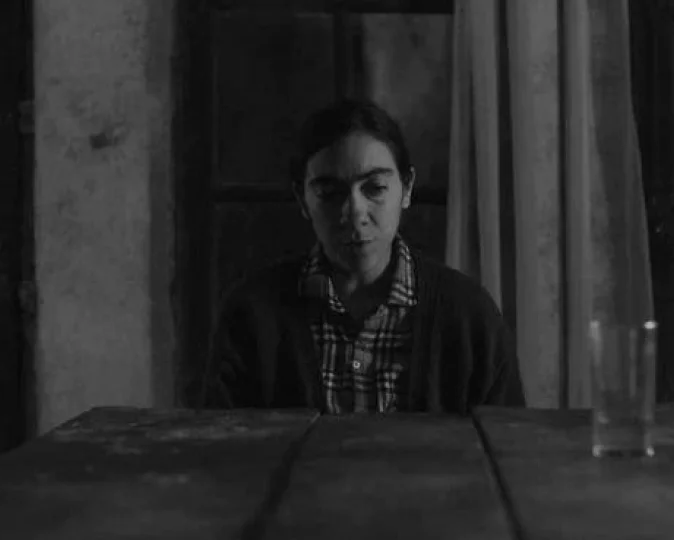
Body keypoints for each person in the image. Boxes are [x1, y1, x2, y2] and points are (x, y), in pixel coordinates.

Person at [196, 98, 524, 414]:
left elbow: (508, 442)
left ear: (407, 188)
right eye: (329, 193)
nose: (354, 212)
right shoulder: (251, 316)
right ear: (302, 199)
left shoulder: (469, 317)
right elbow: (222, 444)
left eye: (375, 188)